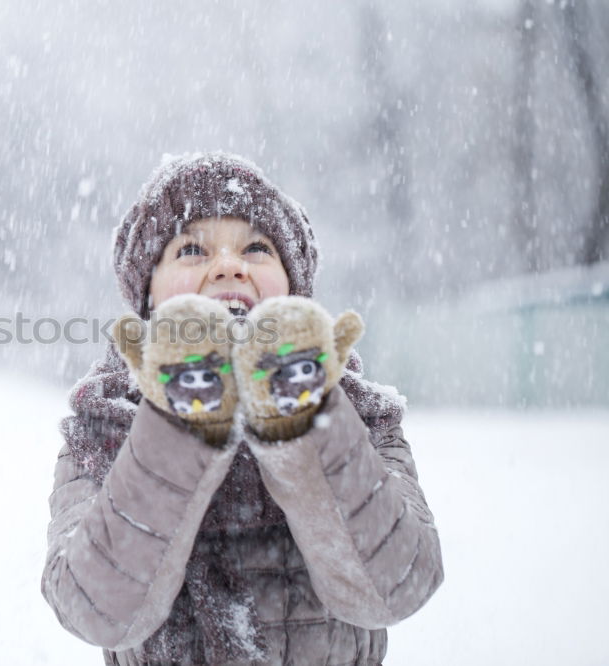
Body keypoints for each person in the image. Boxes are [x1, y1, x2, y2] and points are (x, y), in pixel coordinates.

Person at [41, 152, 443, 665]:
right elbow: (96, 611)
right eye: (191, 249)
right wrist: (180, 412)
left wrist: (302, 412)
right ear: (148, 301)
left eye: (255, 247)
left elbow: (397, 586)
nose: (229, 265)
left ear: (294, 287)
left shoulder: (358, 414)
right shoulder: (106, 428)